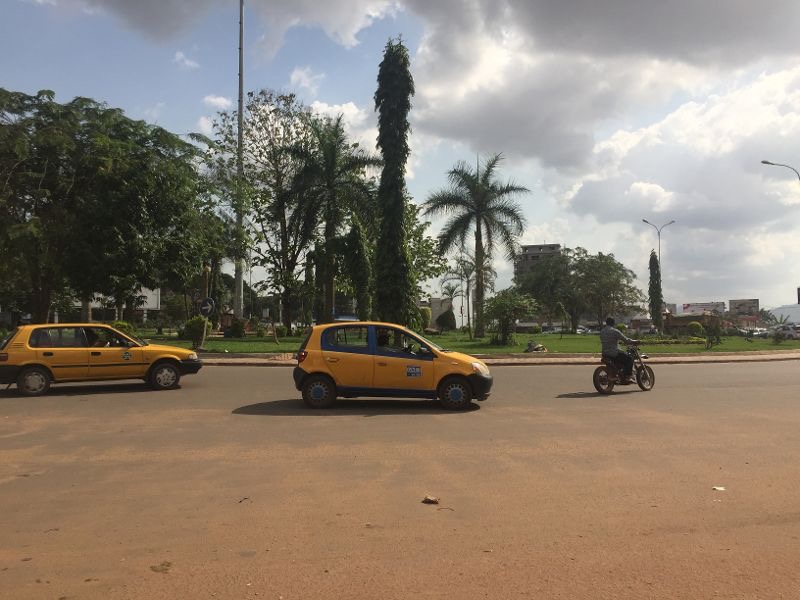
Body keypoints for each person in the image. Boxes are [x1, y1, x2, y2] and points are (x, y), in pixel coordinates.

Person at [600, 317, 639, 382]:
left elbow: (609, 341)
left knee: (622, 356)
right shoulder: (615, 331)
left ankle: (619, 373)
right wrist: (635, 341)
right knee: (630, 359)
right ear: (613, 323)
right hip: (614, 353)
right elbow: (626, 340)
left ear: (606, 323)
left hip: (605, 353)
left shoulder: (602, 331)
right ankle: (628, 376)